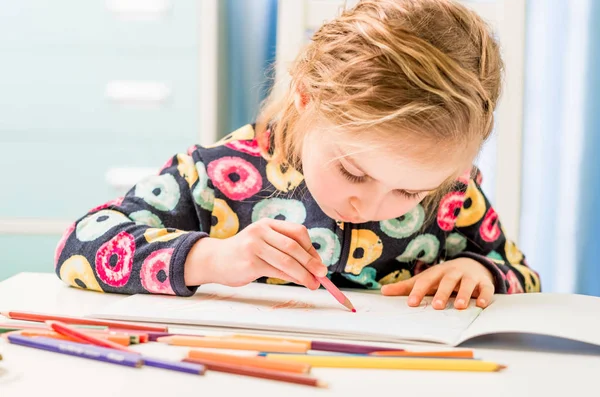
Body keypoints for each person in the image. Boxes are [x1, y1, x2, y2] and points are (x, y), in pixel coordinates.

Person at [54, 0, 541, 311]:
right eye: (353, 171)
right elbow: (78, 247)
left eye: (411, 191)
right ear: (306, 97)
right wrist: (213, 258)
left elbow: (525, 278)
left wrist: (480, 273)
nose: (369, 207)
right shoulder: (217, 174)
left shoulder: (454, 194)